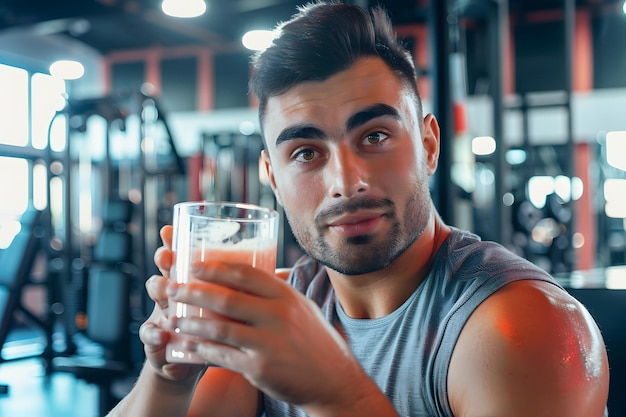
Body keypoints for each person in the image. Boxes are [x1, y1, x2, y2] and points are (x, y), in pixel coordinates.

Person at [107, 2, 609, 416]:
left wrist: (335, 393)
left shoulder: (522, 327)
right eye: (306, 152)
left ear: (429, 145)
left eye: (374, 136)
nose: (346, 183)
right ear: (272, 177)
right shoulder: (284, 303)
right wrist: (167, 376)